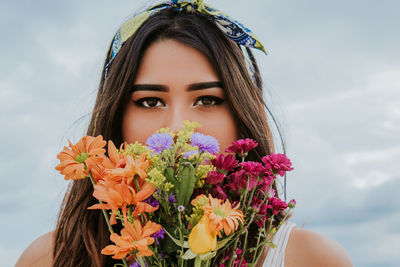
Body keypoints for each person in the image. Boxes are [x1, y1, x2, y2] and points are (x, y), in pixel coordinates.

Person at [15, 1, 353, 266]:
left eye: (207, 99)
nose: (177, 128)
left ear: (242, 114)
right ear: (116, 117)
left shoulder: (310, 258)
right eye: (149, 101)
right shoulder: (49, 259)